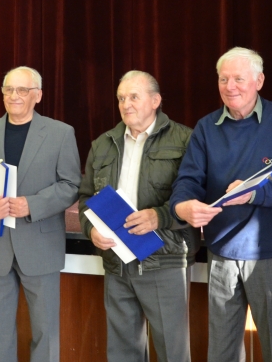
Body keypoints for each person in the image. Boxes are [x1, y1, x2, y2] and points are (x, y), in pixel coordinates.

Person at [169, 47, 272, 362]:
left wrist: (254, 194)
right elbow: (188, 180)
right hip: (222, 253)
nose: (230, 86)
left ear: (259, 81)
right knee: (221, 352)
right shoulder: (206, 127)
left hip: (271, 255)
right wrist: (182, 206)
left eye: (238, 79)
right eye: (223, 79)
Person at [0, 66, 81, 362]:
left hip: (41, 246)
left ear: (38, 95)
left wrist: (33, 204)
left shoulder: (61, 133)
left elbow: (71, 185)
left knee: (45, 331)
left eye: (22, 90)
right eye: (9, 90)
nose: (14, 95)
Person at [78, 70, 197, 362]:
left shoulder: (185, 139)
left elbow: (197, 198)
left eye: (133, 96)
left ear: (155, 101)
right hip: (117, 264)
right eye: (121, 98)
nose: (126, 104)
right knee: (122, 353)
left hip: (164, 261)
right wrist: (89, 229)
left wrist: (159, 216)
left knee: (172, 352)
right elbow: (85, 199)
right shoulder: (103, 143)